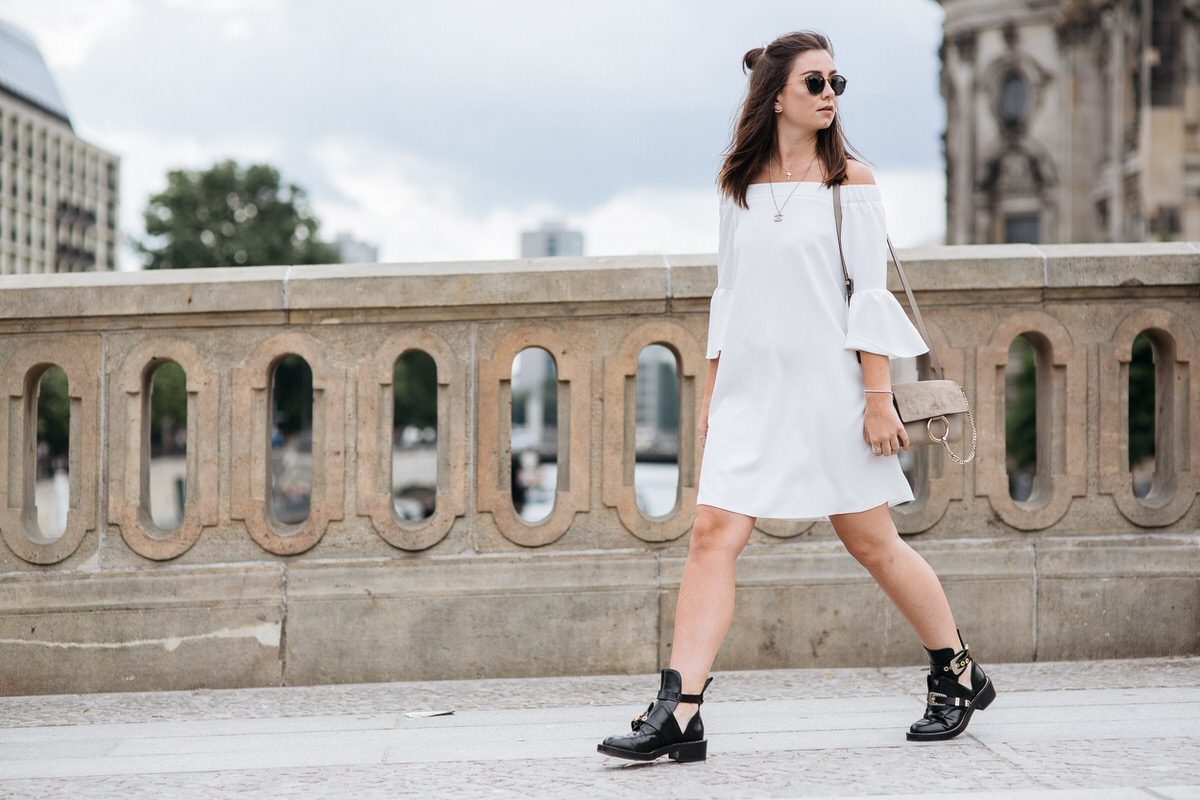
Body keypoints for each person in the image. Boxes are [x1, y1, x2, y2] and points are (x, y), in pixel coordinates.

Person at [597, 30, 996, 764]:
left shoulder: (853, 183)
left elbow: (868, 299)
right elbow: (729, 297)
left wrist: (879, 398)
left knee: (872, 542)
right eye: (815, 83)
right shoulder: (736, 181)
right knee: (712, 533)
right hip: (751, 390)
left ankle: (959, 671)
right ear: (774, 93)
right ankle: (681, 708)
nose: (829, 96)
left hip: (832, 392)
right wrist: (714, 396)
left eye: (836, 83)